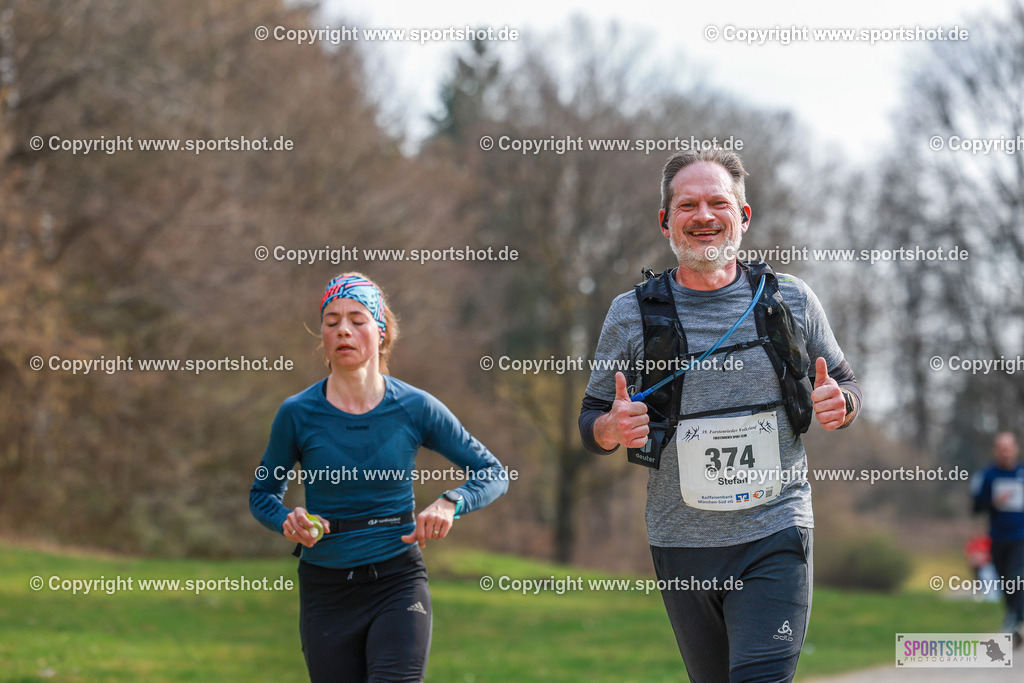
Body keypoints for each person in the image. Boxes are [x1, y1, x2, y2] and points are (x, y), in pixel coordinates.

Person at [578, 149, 861, 682]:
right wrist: (612, 428)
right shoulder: (631, 314)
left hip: (776, 531)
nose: (703, 215)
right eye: (687, 205)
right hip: (681, 541)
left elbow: (846, 385)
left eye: (718, 202)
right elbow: (591, 420)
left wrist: (840, 404)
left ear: (743, 216)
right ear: (665, 222)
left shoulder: (791, 300)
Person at [250, 272, 508, 682]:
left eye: (357, 319)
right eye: (332, 321)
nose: (343, 330)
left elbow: (493, 472)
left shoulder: (415, 407)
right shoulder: (297, 414)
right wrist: (287, 519)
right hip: (326, 591)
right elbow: (262, 494)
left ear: (381, 332)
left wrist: (451, 503)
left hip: (397, 581)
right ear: (323, 336)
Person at [970, 431, 1024, 646]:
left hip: (1021, 537)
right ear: (996, 451)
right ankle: (1015, 619)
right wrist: (994, 503)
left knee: (1016, 576)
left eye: (1008, 448)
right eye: (1001, 449)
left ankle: (1014, 620)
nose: (1005, 453)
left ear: (1015, 449)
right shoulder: (987, 476)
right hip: (998, 538)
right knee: (1005, 582)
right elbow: (976, 507)